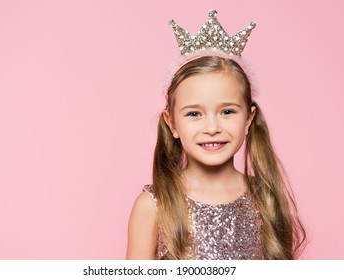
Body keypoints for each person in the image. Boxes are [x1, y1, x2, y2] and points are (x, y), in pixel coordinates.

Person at [126, 10, 306, 260]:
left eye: (227, 111)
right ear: (172, 123)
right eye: (194, 114)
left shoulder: (266, 200)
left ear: (248, 119)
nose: (212, 127)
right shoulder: (153, 207)